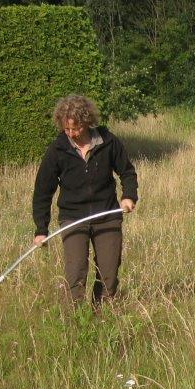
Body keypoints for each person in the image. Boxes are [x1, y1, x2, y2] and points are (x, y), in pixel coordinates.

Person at [32, 95, 138, 306]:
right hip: (73, 218)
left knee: (108, 274)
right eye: (67, 129)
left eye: (76, 128)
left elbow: (127, 172)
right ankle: (76, 320)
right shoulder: (58, 149)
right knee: (76, 273)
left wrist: (128, 196)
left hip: (106, 215)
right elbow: (43, 191)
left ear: (87, 122)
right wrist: (41, 229)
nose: (71, 133)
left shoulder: (108, 142)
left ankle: (102, 315)